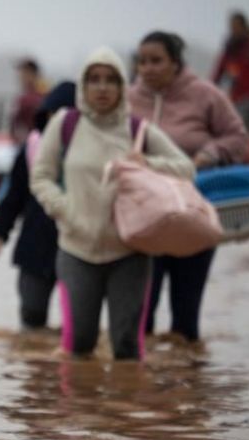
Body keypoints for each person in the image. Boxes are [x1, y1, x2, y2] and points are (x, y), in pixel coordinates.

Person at [30, 47, 193, 360]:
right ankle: (79, 409)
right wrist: (64, 209)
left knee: (127, 347)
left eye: (110, 80)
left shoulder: (138, 130)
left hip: (130, 250)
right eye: (94, 80)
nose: (102, 88)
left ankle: (125, 407)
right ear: (83, 85)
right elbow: (41, 176)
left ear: (122, 87)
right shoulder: (65, 124)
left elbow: (186, 169)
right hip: (76, 248)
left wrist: (145, 161)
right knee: (79, 345)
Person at [130, 31, 249, 342]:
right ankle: (136, 388)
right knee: (140, 318)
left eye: (156, 61)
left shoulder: (206, 95)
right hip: (144, 220)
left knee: (186, 318)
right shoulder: (127, 99)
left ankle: (189, 384)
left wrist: (209, 154)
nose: (148, 68)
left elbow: (237, 136)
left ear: (175, 62)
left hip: (195, 215)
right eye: (142, 61)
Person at [0, 81, 75, 330]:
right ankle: (33, 366)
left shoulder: (89, 153)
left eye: (66, 116)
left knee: (78, 323)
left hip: (79, 246)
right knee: (32, 316)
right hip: (34, 246)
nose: (58, 122)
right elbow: (13, 195)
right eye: (53, 114)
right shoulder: (31, 149)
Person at [9, 58, 46, 144]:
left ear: (32, 74)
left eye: (23, 73)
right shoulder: (25, 95)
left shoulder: (38, 96)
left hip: (34, 143)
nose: (20, 77)